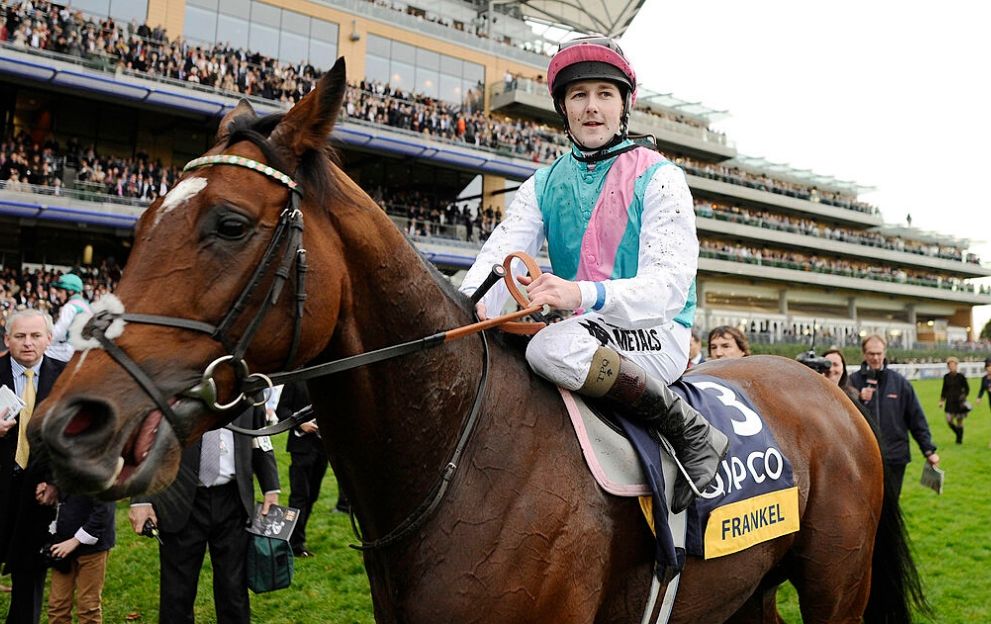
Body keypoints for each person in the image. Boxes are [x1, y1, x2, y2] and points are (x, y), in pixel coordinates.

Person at [458, 36, 727, 513]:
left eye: (604, 93)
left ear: (624, 104)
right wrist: (467, 312)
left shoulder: (661, 176)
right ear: (563, 108)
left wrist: (579, 294)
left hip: (657, 332)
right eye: (578, 95)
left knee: (548, 348)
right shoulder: (542, 183)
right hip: (583, 328)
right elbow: (499, 258)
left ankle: (689, 428)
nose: (592, 107)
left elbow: (668, 289)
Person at [128, 406, 280, 624]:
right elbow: (147, 442)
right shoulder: (176, 390)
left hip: (234, 499)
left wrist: (271, 488)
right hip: (179, 499)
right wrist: (141, 499)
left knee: (234, 587)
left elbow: (260, 437)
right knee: (177, 591)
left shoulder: (246, 392)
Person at [0, 309, 65, 624]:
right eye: (20, 336)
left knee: (29, 575)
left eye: (36, 335)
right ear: (7, 339)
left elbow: (74, 439)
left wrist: (56, 483)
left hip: (40, 491)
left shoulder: (67, 378)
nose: (28, 343)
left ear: (49, 339)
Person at [848, 335, 939, 499]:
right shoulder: (852, 382)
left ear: (885, 353)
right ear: (864, 354)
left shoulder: (900, 383)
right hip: (862, 457)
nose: (876, 358)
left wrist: (928, 450)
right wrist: (858, 398)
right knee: (866, 503)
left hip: (895, 457)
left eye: (879, 353)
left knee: (891, 502)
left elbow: (916, 418)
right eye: (871, 354)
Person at [276, 382, 338, 559]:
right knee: (299, 496)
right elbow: (282, 410)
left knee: (312, 496)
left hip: (322, 448)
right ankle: (294, 543)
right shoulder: (295, 381)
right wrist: (300, 424)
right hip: (301, 448)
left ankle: (297, 538)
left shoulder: (325, 380)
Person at [46, 493, 116, 624]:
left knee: (88, 606)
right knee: (57, 605)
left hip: (93, 547)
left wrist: (76, 540)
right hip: (62, 545)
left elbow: (104, 511)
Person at [46, 273, 91, 363]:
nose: (58, 295)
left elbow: (59, 332)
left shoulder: (70, 306)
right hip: (84, 349)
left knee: (42, 351)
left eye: (60, 292)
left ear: (70, 292)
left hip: (71, 351)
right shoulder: (86, 304)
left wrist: (43, 341)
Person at [939, 356, 970, 444]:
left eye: (953, 365)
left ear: (956, 365)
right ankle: (958, 433)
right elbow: (944, 389)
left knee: (959, 421)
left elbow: (967, 389)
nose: (952, 366)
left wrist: (963, 397)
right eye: (950, 365)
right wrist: (941, 400)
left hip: (959, 402)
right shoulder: (946, 377)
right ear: (948, 366)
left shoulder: (961, 376)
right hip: (949, 402)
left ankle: (959, 440)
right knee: (949, 420)